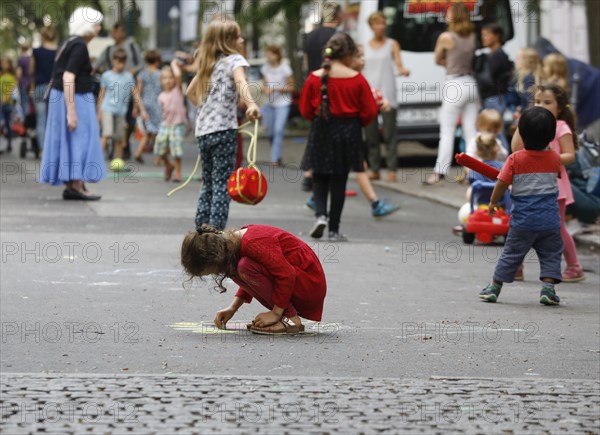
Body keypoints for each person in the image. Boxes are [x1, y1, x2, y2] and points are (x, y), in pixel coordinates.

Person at [479, 107, 563, 305]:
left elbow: (501, 182)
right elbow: (556, 175)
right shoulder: (555, 158)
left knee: (511, 254)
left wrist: (493, 201)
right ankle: (548, 289)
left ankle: (495, 287)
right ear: (551, 137)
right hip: (549, 221)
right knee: (551, 254)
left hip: (523, 221)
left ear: (522, 135)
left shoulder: (515, 159)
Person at [300, 32, 378, 241]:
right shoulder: (357, 79)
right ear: (349, 54)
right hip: (348, 131)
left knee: (319, 176)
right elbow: (369, 111)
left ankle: (320, 216)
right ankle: (334, 230)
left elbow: (305, 109)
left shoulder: (314, 78)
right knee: (339, 180)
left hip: (321, 129)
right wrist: (356, 123)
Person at [181, 223, 327, 335]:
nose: (213, 275)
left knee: (244, 267)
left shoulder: (253, 243)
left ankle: (291, 320)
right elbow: (253, 280)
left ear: (214, 259)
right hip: (301, 281)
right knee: (236, 268)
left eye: (210, 272)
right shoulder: (233, 245)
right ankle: (286, 315)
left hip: (309, 284)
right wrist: (233, 308)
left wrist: (275, 313)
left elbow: (287, 274)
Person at [186, 18, 260, 231]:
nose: (242, 39)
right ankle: (215, 233)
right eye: (238, 36)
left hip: (204, 131)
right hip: (224, 130)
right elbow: (242, 83)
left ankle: (201, 229)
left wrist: (205, 109)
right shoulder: (234, 60)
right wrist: (251, 104)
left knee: (208, 183)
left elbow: (189, 92)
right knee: (223, 184)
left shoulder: (209, 63)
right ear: (228, 40)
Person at [511, 84, 584, 282]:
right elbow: (516, 148)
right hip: (528, 185)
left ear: (559, 107)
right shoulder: (530, 124)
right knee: (522, 225)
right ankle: (516, 266)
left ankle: (574, 266)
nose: (541, 106)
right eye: (537, 102)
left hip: (555, 186)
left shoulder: (561, 127)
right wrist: (522, 122)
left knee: (557, 228)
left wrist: (551, 158)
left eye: (547, 102)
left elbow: (570, 155)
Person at [39, 7, 106, 200]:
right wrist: (72, 112)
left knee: (68, 140)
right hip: (75, 97)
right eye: (96, 24)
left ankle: (72, 184)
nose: (99, 28)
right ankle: (77, 185)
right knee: (80, 139)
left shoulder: (68, 42)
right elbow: (69, 76)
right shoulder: (79, 45)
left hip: (61, 96)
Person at [424, 2, 479, 185]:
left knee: (447, 131)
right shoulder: (472, 36)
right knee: (471, 131)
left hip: (454, 83)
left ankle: (440, 172)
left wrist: (446, 61)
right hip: (471, 83)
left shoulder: (446, 37)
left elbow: (437, 58)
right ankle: (473, 171)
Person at [363, 11, 410, 183]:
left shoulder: (392, 44)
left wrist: (403, 70)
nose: (380, 27)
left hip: (388, 95)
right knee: (371, 135)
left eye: (382, 23)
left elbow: (399, 64)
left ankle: (392, 169)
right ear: (371, 26)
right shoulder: (363, 47)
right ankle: (374, 168)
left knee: (390, 134)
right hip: (369, 96)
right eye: (377, 23)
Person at [301, 1, 343, 192]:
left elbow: (306, 64)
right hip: (334, 88)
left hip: (314, 86)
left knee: (316, 131)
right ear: (339, 16)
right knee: (335, 132)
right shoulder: (339, 37)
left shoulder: (310, 36)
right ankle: (326, 172)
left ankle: (309, 171)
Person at [93, 23, 144, 159]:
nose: (115, 35)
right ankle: (101, 155)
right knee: (108, 130)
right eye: (113, 32)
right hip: (112, 92)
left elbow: (141, 64)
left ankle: (123, 148)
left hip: (127, 87)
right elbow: (96, 64)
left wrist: (133, 70)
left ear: (123, 33)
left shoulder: (132, 47)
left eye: (117, 32)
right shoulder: (109, 50)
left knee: (128, 122)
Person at [97, 48, 136, 165]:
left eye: (123, 62)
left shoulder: (128, 76)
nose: (120, 65)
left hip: (121, 111)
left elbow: (135, 93)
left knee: (119, 137)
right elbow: (101, 94)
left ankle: (117, 160)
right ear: (113, 61)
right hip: (107, 108)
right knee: (107, 133)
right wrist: (98, 111)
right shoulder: (106, 75)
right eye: (118, 62)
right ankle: (98, 159)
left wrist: (137, 108)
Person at [154, 59, 188, 183]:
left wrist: (174, 64)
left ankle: (177, 172)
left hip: (177, 124)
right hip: (165, 125)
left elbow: (178, 75)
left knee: (176, 150)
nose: (168, 80)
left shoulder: (177, 91)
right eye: (165, 78)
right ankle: (168, 165)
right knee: (159, 149)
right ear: (161, 81)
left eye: (170, 77)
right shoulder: (161, 96)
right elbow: (160, 112)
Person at [260, 45, 294, 165]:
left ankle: (275, 158)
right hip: (269, 103)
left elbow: (291, 87)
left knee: (278, 130)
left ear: (277, 54)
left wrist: (276, 89)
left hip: (282, 103)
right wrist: (265, 89)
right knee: (271, 132)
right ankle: (276, 154)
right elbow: (264, 84)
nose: (268, 57)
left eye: (270, 54)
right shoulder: (265, 68)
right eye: (267, 54)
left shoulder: (285, 69)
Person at [133, 50, 162, 163]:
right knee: (160, 131)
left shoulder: (142, 74)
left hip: (144, 104)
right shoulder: (160, 74)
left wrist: (136, 107)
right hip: (158, 104)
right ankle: (159, 157)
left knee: (147, 131)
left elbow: (138, 91)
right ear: (157, 61)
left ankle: (138, 152)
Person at [478, 23, 514, 116]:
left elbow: (488, 78)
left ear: (497, 35)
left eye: (487, 35)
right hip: (491, 98)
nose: (483, 38)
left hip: (494, 98)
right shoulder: (491, 54)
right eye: (482, 35)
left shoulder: (498, 55)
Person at [31, 26, 57, 148]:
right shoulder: (59, 51)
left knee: (41, 119)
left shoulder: (36, 52)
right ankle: (53, 147)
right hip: (55, 88)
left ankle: (42, 150)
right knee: (54, 119)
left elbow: (31, 70)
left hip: (40, 86)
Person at [513, 47, 543, 112]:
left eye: (518, 58)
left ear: (526, 61)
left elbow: (530, 102)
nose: (515, 61)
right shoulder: (532, 75)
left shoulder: (528, 78)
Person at [0, 58, 18, 153]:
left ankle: (9, 144)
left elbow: (12, 88)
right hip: (1, 103)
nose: (4, 65)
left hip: (8, 104)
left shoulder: (11, 76)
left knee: (8, 125)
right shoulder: (1, 75)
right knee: (1, 124)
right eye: (3, 63)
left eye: (6, 63)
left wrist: (5, 99)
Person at [16, 41, 33, 117]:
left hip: (23, 84)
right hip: (32, 84)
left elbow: (19, 74)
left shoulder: (21, 59)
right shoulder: (31, 58)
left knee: (24, 103)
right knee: (31, 103)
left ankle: (26, 123)